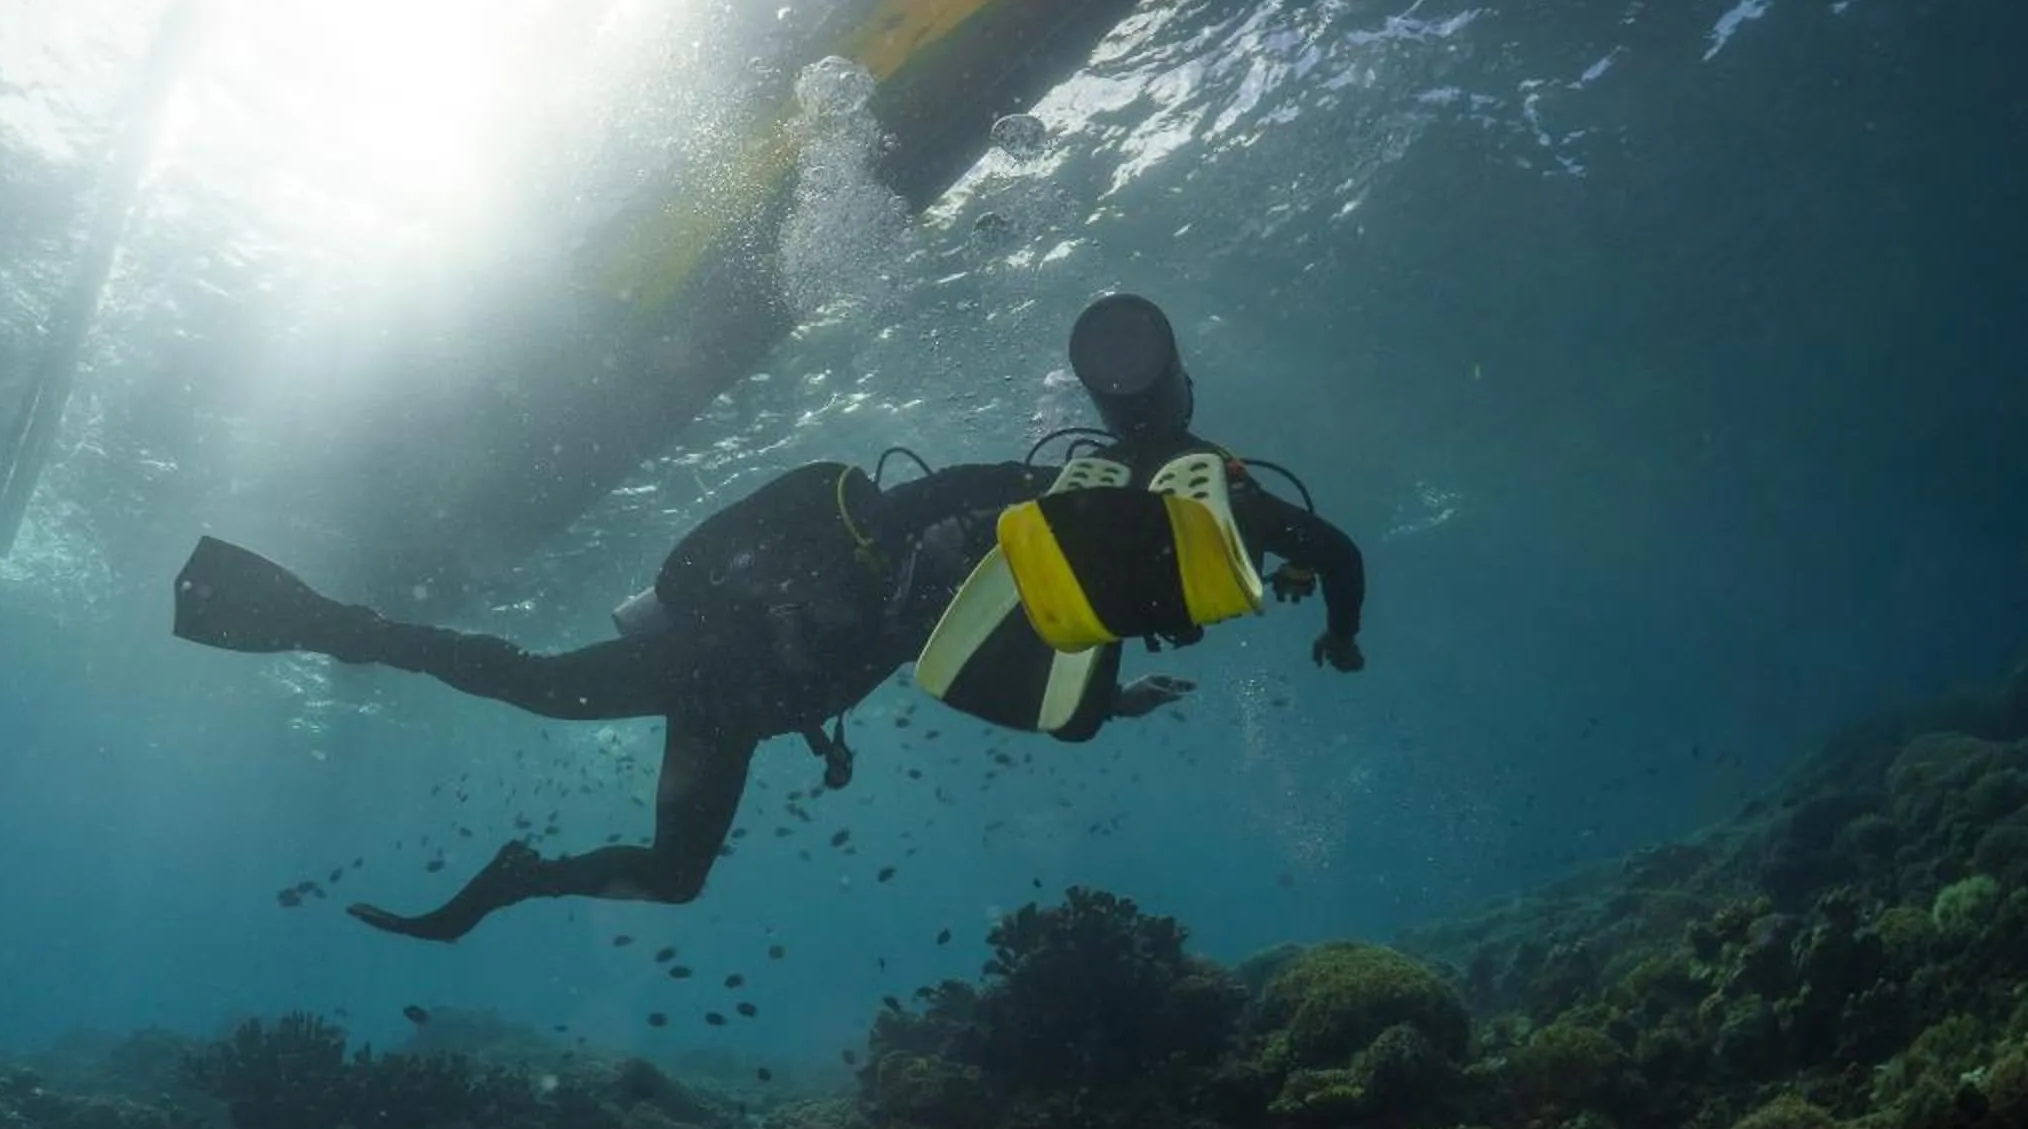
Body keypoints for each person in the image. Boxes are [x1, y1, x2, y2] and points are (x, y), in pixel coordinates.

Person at [171, 292, 1364, 941]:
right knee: (533, 679)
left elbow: (1024, 676)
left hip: (751, 705)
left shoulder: (1057, 570)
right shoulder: (1033, 502)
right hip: (728, 660)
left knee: (675, 874)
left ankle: (510, 883)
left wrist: (1118, 693)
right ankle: (311, 613)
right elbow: (941, 540)